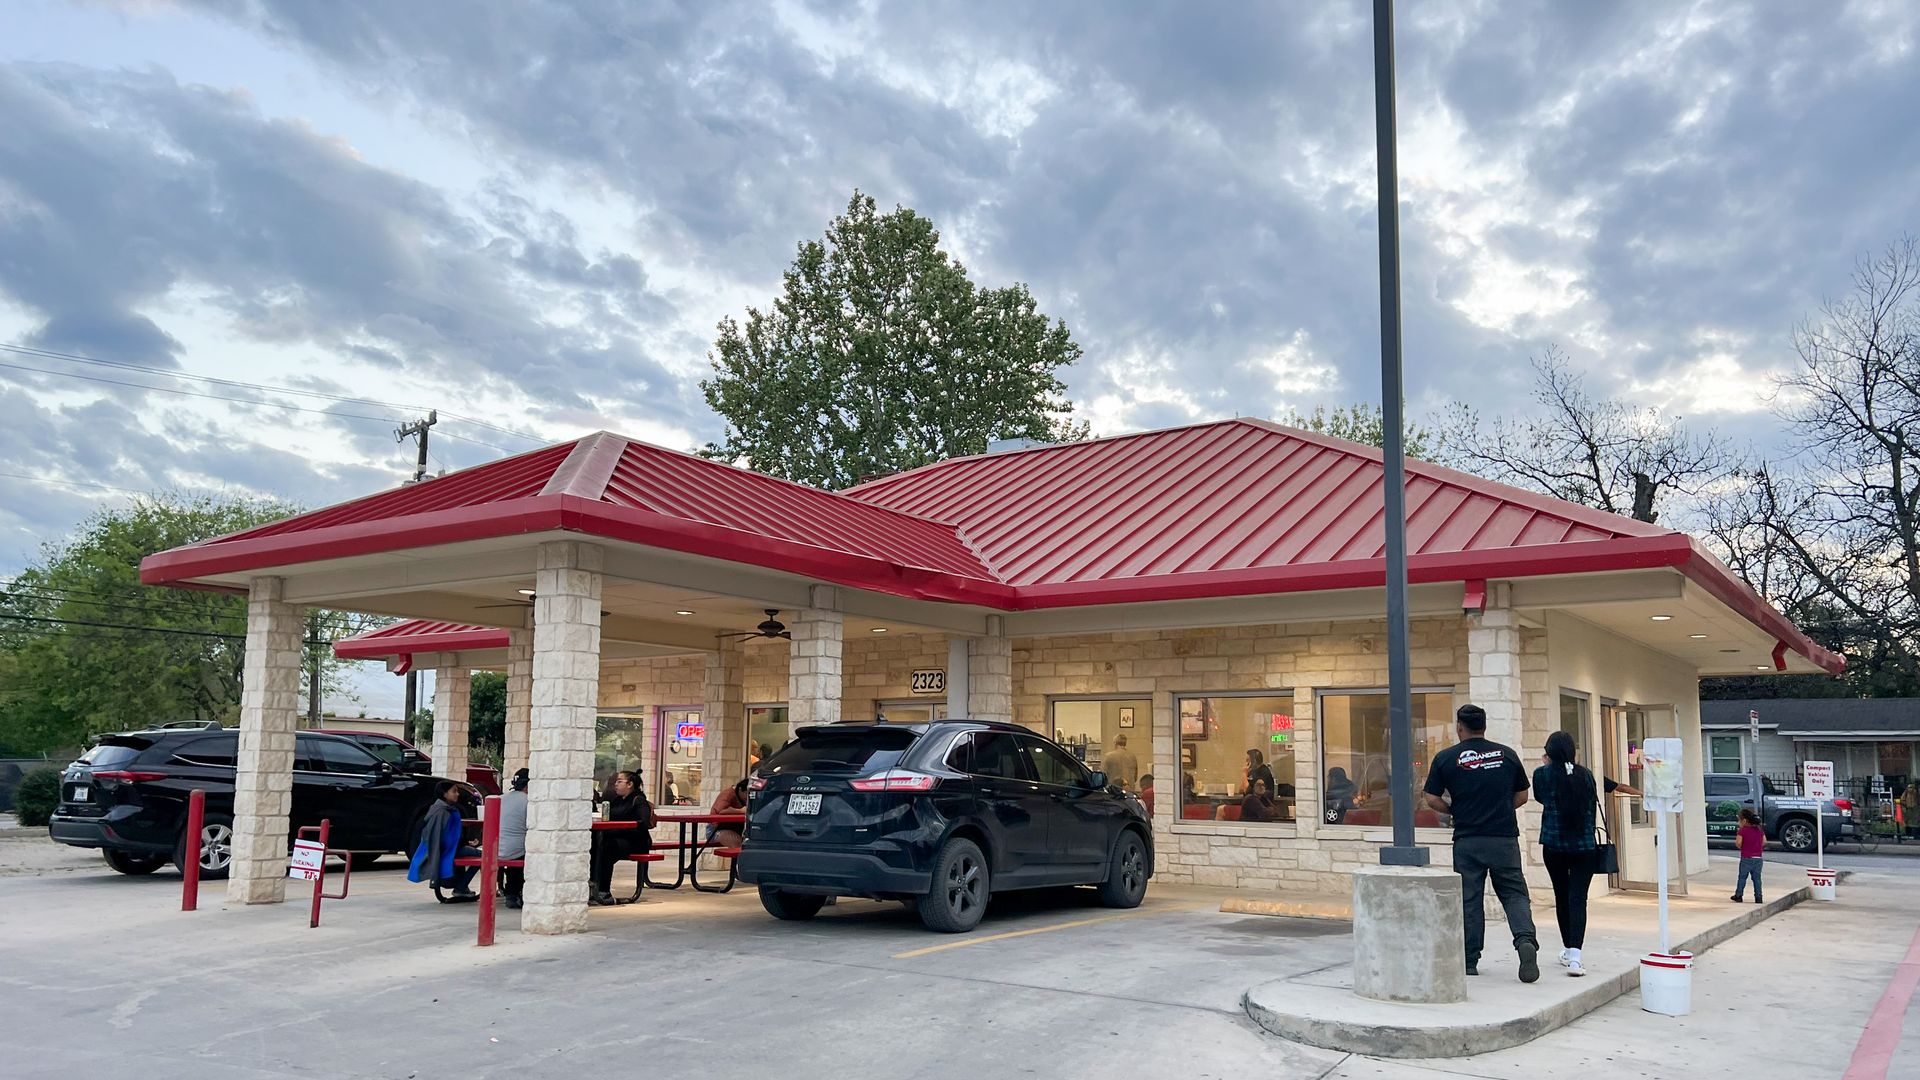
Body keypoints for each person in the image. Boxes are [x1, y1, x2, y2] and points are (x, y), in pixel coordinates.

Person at [1424, 703, 1540, 982]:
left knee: (1469, 899)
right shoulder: (1507, 755)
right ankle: (1525, 941)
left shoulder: (1446, 757)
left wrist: (1454, 811)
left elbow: (1430, 797)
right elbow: (1523, 795)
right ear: (1484, 726)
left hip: (1467, 840)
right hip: (1503, 839)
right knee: (1514, 894)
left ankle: (1469, 959)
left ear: (1459, 727)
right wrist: (1500, 809)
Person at [1533, 731, 1640, 977]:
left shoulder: (1542, 774)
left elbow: (1540, 798)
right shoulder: (1587, 775)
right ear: (1573, 751)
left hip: (1554, 846)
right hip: (1584, 848)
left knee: (1562, 896)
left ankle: (1567, 949)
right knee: (1578, 898)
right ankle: (1576, 957)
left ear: (1549, 753)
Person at [589, 770, 654, 905]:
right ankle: (592, 886)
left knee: (606, 848)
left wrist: (619, 829)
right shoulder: (617, 800)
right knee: (594, 845)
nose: (616, 785)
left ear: (630, 784)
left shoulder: (639, 800)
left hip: (636, 842)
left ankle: (603, 890)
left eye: (619, 781)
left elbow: (644, 823)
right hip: (615, 837)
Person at [409, 780, 480, 900]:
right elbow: (444, 838)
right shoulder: (443, 812)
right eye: (454, 791)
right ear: (444, 794)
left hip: (450, 847)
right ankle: (461, 887)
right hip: (447, 850)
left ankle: (462, 886)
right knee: (484, 857)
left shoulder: (441, 809)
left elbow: (451, 835)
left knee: (478, 854)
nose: (457, 794)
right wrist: (464, 844)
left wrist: (466, 842)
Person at [496, 768, 529, 909]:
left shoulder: (501, 798)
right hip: (516, 851)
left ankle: (508, 891)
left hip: (496, 847)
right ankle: (514, 894)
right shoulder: (529, 801)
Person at [1732, 807, 1765, 904]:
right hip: (1758, 858)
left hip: (1746, 858)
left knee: (1742, 877)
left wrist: (1742, 846)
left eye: (1739, 820)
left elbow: (1738, 843)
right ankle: (1758, 897)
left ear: (1744, 820)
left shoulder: (1743, 830)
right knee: (1757, 879)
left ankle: (1739, 895)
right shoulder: (1759, 830)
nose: (1739, 822)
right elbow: (1764, 841)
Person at [708, 777, 749, 851]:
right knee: (738, 844)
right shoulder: (727, 794)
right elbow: (721, 810)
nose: (748, 797)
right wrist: (740, 811)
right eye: (747, 793)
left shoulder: (742, 798)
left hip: (736, 829)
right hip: (716, 829)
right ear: (740, 790)